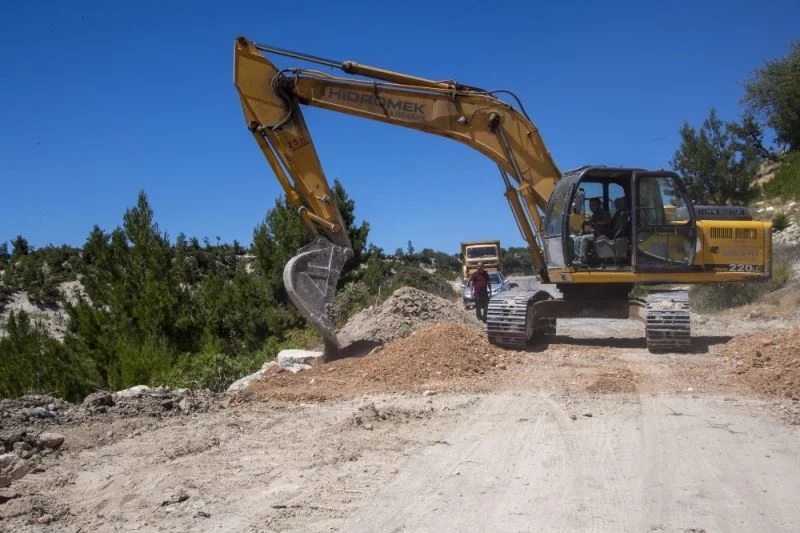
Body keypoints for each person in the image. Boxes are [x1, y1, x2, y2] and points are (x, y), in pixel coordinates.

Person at [573, 197, 612, 265]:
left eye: (594, 205)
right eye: (590, 205)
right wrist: (586, 223)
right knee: (577, 239)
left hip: (602, 234)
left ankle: (583, 260)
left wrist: (595, 223)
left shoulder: (603, 212)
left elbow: (607, 221)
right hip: (596, 234)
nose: (591, 207)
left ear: (599, 205)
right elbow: (592, 223)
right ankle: (577, 258)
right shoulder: (594, 214)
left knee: (585, 238)